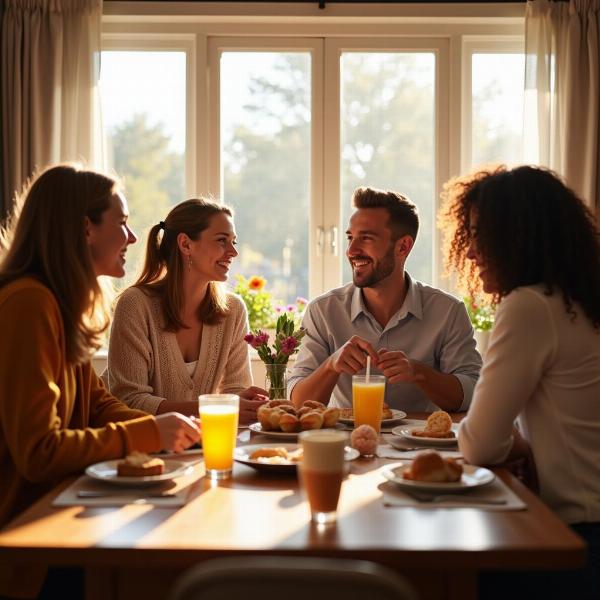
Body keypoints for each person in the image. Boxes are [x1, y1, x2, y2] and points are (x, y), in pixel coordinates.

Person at [0, 164, 200, 599]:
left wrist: (177, 435)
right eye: (122, 223)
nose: (131, 238)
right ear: (84, 229)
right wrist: (149, 431)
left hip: (58, 516)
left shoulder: (56, 303)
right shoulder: (28, 305)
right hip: (26, 542)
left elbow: (97, 405)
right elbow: (39, 453)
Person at [440, 164, 600, 599]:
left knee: (440, 573)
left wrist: (516, 443)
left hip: (579, 540)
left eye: (477, 234)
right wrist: (526, 442)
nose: (470, 252)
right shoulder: (578, 299)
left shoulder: (530, 306)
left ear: (517, 236)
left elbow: (479, 444)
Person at [289, 186, 481, 413]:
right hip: (346, 445)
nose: (351, 250)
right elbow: (297, 403)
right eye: (350, 238)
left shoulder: (448, 312)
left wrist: (420, 373)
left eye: (366, 238)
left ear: (403, 247)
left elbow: (472, 394)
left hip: (418, 445)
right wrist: (331, 365)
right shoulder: (322, 311)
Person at [106, 198, 267, 424]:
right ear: (185, 244)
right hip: (139, 447)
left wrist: (246, 403)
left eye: (234, 242)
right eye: (222, 241)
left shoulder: (233, 310)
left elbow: (235, 390)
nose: (233, 252)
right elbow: (129, 401)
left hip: (197, 445)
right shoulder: (135, 304)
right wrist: (221, 407)